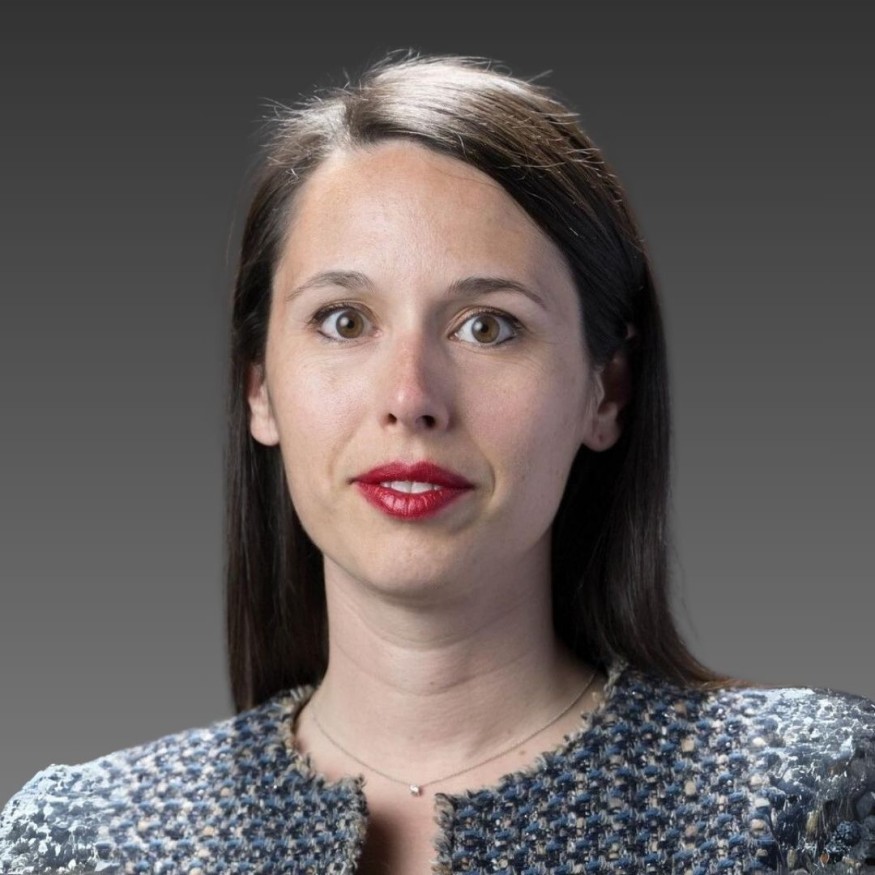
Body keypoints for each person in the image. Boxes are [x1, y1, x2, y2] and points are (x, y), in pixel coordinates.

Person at [1, 53, 873, 875]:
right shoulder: (84, 841)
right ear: (259, 388)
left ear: (604, 393)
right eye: (344, 321)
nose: (411, 397)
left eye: (487, 326)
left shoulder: (801, 803)